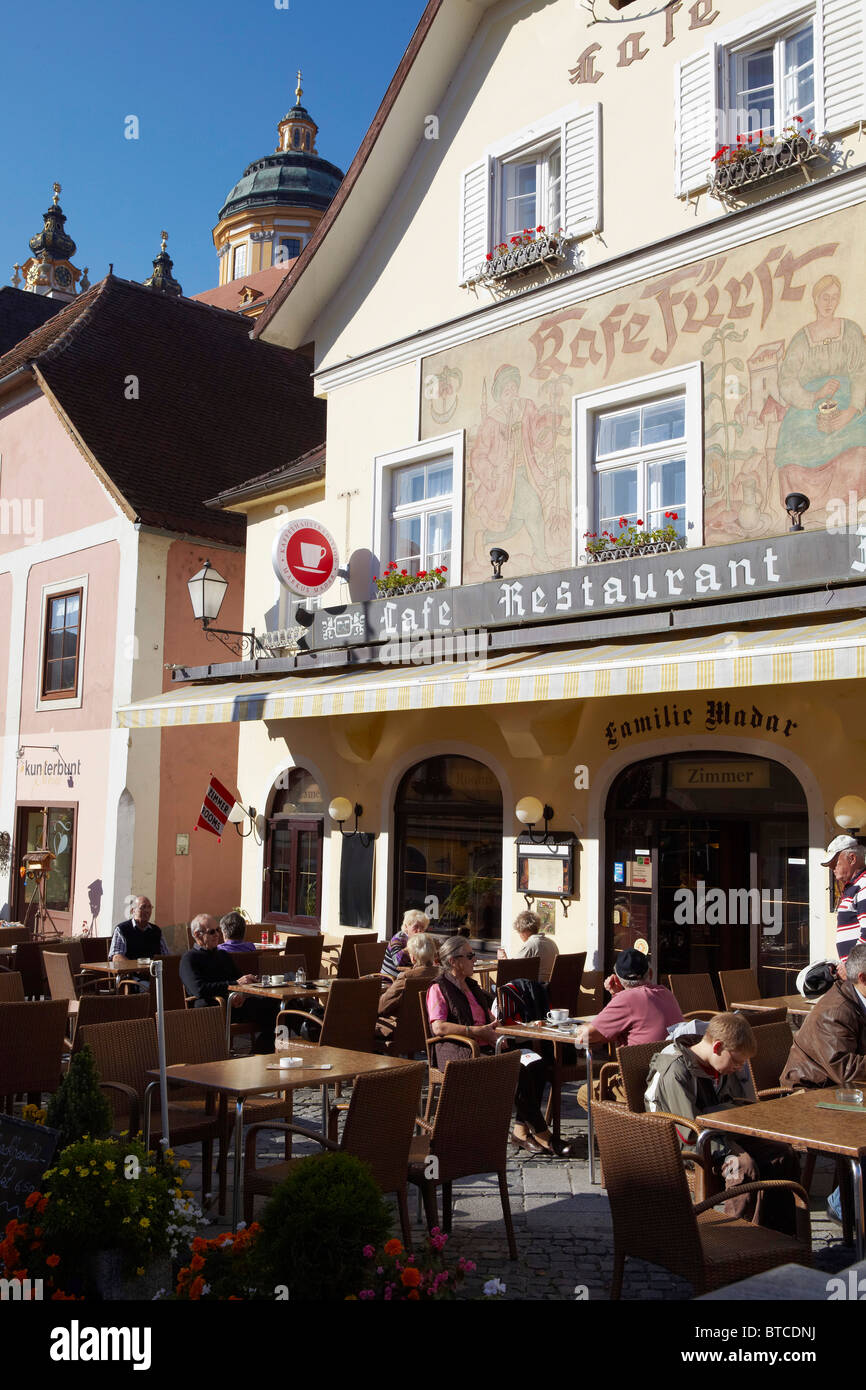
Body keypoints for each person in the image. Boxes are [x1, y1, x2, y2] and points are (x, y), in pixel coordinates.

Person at [646, 1012, 797, 1229]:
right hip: (686, 1144)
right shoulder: (676, 1071)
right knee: (742, 1167)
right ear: (717, 1047)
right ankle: (736, 1237)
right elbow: (689, 1132)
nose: (738, 1068)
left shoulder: (717, 1064)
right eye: (736, 1062)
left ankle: (777, 1235)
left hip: (718, 1132)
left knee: (782, 1153)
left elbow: (732, 1104)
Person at [427, 935, 574, 1157]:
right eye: (470, 956)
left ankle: (520, 1130)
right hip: (459, 1051)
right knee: (519, 1070)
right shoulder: (438, 988)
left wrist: (500, 1031)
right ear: (454, 961)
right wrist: (475, 1032)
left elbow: (490, 1017)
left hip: (486, 1046)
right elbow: (438, 1028)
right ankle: (544, 1135)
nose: (475, 959)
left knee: (538, 1064)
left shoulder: (473, 986)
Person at [782, 940, 866, 1230]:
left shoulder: (858, 998)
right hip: (811, 1093)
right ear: (863, 978)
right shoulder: (837, 1009)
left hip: (840, 1088)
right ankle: (842, 1204)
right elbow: (845, 1067)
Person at [180, 913, 278, 1054]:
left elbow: (238, 978)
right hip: (211, 1006)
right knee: (268, 1009)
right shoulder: (189, 959)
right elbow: (199, 990)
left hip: (234, 1005)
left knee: (273, 1005)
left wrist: (242, 990)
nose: (217, 935)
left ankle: (261, 1051)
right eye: (212, 931)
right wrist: (233, 988)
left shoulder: (222, 955)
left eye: (218, 930)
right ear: (197, 934)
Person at [573, 948, 683, 1049]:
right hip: (672, 1064)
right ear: (650, 973)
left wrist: (576, 1028)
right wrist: (617, 995)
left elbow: (588, 1035)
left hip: (642, 1068)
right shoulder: (665, 993)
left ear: (617, 978)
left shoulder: (627, 999)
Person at [376, 932, 440, 1039]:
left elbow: (382, 1007)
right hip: (428, 1030)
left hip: (402, 1032)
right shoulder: (442, 974)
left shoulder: (406, 977)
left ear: (413, 958)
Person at [821, 835, 866, 970]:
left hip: (859, 973)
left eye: (835, 863)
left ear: (852, 858)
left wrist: (850, 967)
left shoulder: (863, 885)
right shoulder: (855, 885)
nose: (832, 869)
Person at [497, 909, 559, 983]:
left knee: (494, 987)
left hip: (534, 990)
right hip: (550, 989)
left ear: (524, 931)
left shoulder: (531, 944)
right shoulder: (552, 943)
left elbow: (513, 970)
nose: (519, 935)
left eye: (519, 931)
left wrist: (503, 960)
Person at [109, 896, 168, 964]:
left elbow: (166, 955)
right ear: (133, 910)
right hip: (130, 972)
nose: (147, 910)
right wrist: (137, 967)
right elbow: (117, 957)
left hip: (153, 972)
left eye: (149, 907)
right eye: (143, 907)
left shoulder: (156, 931)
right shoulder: (122, 929)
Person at [382, 909, 430, 980]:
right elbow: (397, 962)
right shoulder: (398, 939)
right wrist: (411, 947)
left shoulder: (421, 939)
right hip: (391, 979)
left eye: (422, 927)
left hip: (409, 977)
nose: (419, 930)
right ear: (406, 926)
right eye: (416, 927)